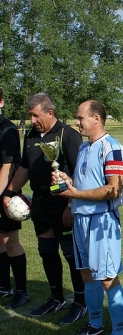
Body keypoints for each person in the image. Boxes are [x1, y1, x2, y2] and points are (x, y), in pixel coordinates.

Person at [2, 93, 86, 324]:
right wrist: (9, 193)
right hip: (40, 203)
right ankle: (56, 297)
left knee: (70, 255)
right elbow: (24, 169)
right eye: (30, 115)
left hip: (64, 204)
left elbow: (80, 173)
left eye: (35, 115)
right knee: (47, 251)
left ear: (50, 113)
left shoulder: (67, 135)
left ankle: (80, 302)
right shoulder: (30, 135)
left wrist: (71, 204)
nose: (32, 120)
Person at [54, 100, 123, 335]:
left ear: (96, 119)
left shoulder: (112, 148)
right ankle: (95, 325)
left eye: (80, 118)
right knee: (87, 275)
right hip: (81, 221)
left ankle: (118, 330)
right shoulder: (85, 148)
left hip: (101, 221)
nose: (76, 122)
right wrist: (68, 182)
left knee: (107, 278)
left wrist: (77, 195)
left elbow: (113, 189)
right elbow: (85, 183)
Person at [0, 87, 30, 309]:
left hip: (4, 195)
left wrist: (2, 194)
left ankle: (22, 291)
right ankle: (4, 286)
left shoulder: (7, 129)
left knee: (10, 242)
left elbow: (8, 166)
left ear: (1, 102)